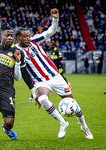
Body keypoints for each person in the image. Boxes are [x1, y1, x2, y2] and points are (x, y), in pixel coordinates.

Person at [15, 8, 93, 139]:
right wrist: (33, 90)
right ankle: (63, 123)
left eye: (28, 36)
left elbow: (51, 31)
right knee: (43, 98)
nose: (28, 38)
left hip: (56, 76)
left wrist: (55, 19)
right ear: (18, 38)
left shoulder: (34, 41)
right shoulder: (16, 51)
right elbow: (21, 72)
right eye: (25, 36)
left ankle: (84, 127)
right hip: (40, 80)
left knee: (74, 104)